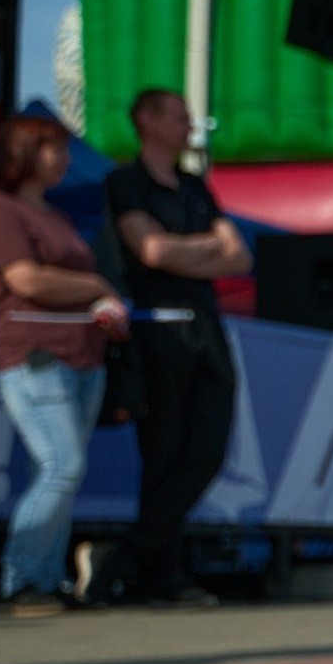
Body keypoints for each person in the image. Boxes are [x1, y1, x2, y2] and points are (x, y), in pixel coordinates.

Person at [89, 88, 249, 607]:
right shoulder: (125, 182)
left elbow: (238, 255)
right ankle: (162, 573)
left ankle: (126, 556)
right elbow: (150, 250)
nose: (189, 126)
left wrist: (188, 253)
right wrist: (205, 248)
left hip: (205, 324)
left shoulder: (195, 187)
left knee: (206, 447)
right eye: (180, 117)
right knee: (162, 451)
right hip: (159, 327)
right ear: (148, 121)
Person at [0, 115, 127, 614]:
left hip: (84, 357)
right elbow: (26, 280)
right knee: (63, 465)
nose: (63, 158)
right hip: (35, 357)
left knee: (63, 471)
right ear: (23, 153)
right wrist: (99, 289)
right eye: (52, 149)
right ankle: (20, 581)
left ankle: (46, 577)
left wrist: (102, 313)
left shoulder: (54, 216)